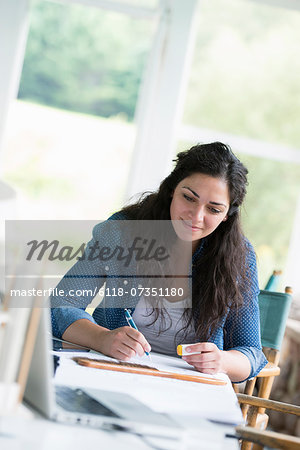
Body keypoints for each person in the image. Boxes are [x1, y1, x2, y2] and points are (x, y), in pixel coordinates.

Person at [51, 142, 267, 382]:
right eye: (188, 198)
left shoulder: (240, 256)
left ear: (227, 215)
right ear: (172, 189)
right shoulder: (122, 231)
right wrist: (102, 338)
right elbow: (60, 304)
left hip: (190, 388)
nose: (196, 217)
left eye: (213, 209)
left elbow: (252, 354)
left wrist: (222, 361)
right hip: (111, 373)